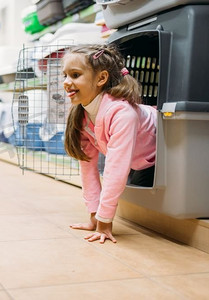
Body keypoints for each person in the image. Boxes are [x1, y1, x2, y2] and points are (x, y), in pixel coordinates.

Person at [62, 44, 157, 243]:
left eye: (75, 75)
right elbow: (88, 168)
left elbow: (115, 169)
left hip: (161, 156)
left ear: (101, 78)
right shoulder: (81, 115)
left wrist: (104, 223)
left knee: (145, 197)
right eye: (65, 75)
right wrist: (94, 217)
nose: (66, 82)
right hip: (138, 160)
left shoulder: (122, 113)